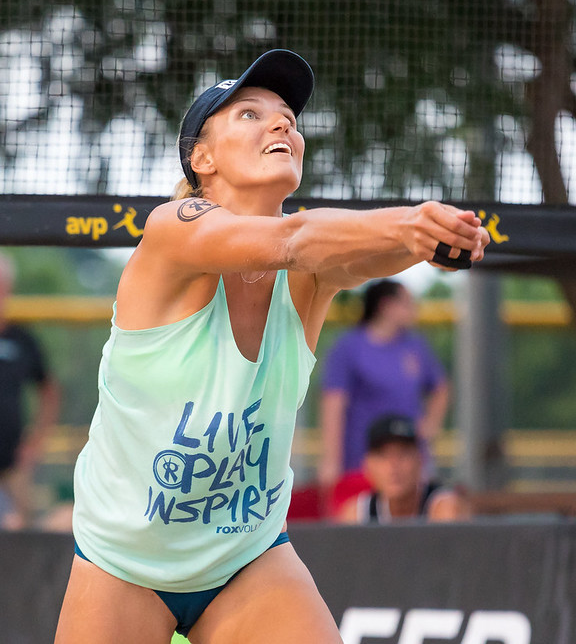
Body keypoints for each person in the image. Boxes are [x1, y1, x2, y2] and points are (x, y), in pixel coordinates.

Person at [55, 49, 489, 644]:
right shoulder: (172, 229)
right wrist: (409, 224)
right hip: (124, 563)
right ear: (201, 157)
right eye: (250, 115)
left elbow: (358, 250)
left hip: (246, 557)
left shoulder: (309, 274)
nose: (283, 123)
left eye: (287, 115)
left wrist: (439, 239)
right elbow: (296, 237)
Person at [319, 279, 449, 504]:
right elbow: (334, 404)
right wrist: (331, 460)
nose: (414, 309)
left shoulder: (414, 346)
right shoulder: (349, 347)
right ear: (386, 305)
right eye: (407, 303)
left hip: (410, 465)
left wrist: (429, 427)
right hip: (361, 463)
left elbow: (441, 388)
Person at [0, 252, 61, 529]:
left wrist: (35, 444)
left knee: (21, 531)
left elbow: (49, 391)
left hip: (14, 463)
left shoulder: (23, 339)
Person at [336, 414, 471, 524]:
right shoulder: (358, 514)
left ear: (420, 460)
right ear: (367, 465)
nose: (393, 466)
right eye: (383, 455)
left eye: (403, 454)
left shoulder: (443, 508)